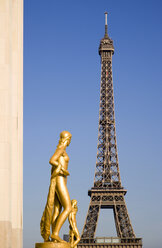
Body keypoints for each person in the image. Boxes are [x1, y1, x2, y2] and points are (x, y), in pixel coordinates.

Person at [40, 131, 72, 243]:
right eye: (70, 139)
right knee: (68, 207)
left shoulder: (62, 148)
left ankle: (53, 235)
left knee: (57, 210)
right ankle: (55, 233)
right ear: (66, 139)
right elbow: (52, 160)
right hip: (60, 180)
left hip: (61, 179)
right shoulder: (62, 148)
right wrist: (62, 169)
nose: (70, 141)